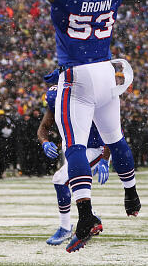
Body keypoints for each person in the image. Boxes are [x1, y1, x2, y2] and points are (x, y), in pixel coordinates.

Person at [10, 0, 140, 253]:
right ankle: (131, 194)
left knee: (75, 146)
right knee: (115, 139)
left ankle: (86, 216)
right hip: (106, 69)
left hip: (76, 75)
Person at [38, 83, 111, 246]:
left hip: (95, 149)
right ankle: (92, 217)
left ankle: (65, 227)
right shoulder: (56, 100)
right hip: (74, 149)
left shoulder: (86, 100)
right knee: (75, 185)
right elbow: (43, 128)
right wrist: (44, 142)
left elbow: (111, 130)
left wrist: (105, 159)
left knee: (60, 180)